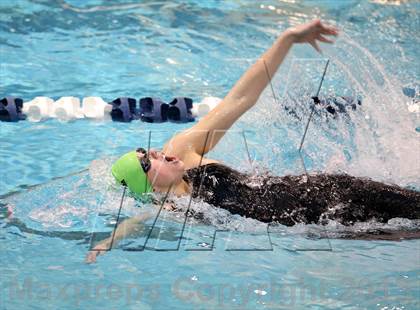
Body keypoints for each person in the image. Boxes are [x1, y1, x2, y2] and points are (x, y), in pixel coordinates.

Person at [86, 19, 419, 263]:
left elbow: (239, 99)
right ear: (149, 186)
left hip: (330, 192)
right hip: (326, 227)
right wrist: (107, 242)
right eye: (148, 161)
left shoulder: (184, 151)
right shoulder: (172, 208)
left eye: (149, 151)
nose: (158, 152)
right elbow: (136, 221)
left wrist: (287, 39)